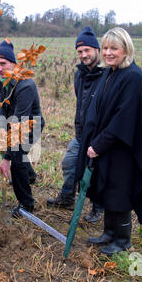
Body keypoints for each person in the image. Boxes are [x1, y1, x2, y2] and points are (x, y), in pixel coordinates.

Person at [75, 27, 142, 256]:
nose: (108, 53)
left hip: (123, 148)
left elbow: (123, 119)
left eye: (114, 48)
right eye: (106, 47)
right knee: (108, 189)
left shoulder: (132, 77)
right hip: (109, 147)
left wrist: (98, 144)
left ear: (125, 49)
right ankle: (109, 232)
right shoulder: (112, 72)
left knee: (120, 192)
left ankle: (122, 240)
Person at [47, 26, 104, 223]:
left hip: (99, 135)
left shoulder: (107, 75)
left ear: (97, 49)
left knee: (97, 172)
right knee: (69, 163)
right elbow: (81, 102)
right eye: (80, 51)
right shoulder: (79, 74)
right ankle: (67, 197)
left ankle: (98, 207)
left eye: (87, 50)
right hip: (81, 133)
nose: (84, 55)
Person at [0, 40, 45, 218]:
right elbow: (1, 104)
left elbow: (19, 125)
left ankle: (26, 205)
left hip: (31, 125)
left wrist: (7, 158)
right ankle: (29, 176)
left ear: (14, 63)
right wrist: (2, 128)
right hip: (13, 122)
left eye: (3, 64)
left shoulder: (25, 86)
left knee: (16, 158)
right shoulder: (2, 78)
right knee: (17, 153)